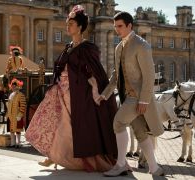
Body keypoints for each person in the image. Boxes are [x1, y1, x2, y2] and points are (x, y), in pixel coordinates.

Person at [25, 5, 118, 172]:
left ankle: (62, 157)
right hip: (62, 90)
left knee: (67, 127)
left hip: (78, 94)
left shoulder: (87, 48)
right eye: (67, 23)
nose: (67, 26)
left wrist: (96, 92)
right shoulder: (68, 47)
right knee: (55, 121)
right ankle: (53, 155)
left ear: (80, 27)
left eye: (71, 24)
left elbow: (92, 73)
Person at [97, 12, 165, 176]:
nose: (117, 30)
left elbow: (149, 75)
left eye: (120, 26)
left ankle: (121, 164)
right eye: (115, 27)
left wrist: (144, 101)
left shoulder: (142, 45)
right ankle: (155, 168)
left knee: (118, 123)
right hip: (128, 96)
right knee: (139, 131)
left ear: (130, 26)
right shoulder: (119, 47)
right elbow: (116, 74)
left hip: (138, 97)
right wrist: (104, 94)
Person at [6, 78, 26, 148]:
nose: (13, 87)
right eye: (12, 86)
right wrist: (7, 114)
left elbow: (23, 105)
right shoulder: (11, 95)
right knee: (12, 130)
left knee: (18, 130)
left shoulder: (21, 95)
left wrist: (20, 115)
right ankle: (12, 143)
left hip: (17, 115)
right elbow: (8, 105)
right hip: (11, 115)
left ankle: (18, 143)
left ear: (18, 86)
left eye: (14, 86)